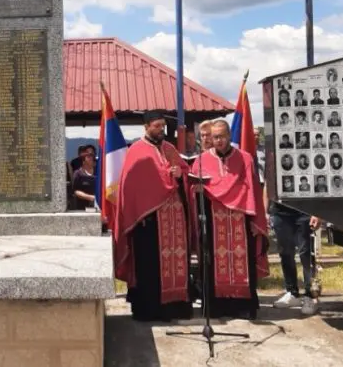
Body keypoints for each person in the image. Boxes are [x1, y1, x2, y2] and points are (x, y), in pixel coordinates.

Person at [114, 111, 198, 322]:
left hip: (175, 218)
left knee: (176, 262)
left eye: (162, 126)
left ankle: (175, 307)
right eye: (157, 126)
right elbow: (130, 188)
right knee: (150, 266)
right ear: (146, 127)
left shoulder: (170, 149)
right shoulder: (137, 151)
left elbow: (185, 173)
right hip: (149, 220)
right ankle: (150, 309)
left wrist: (180, 175)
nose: (161, 130)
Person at [195, 120, 268, 320]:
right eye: (215, 137)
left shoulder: (244, 159)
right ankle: (217, 307)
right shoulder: (201, 161)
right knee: (214, 262)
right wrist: (197, 190)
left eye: (222, 136)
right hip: (213, 221)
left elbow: (252, 190)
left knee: (242, 263)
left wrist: (256, 221)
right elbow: (192, 190)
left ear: (229, 136)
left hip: (240, 221)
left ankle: (243, 307)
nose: (218, 140)